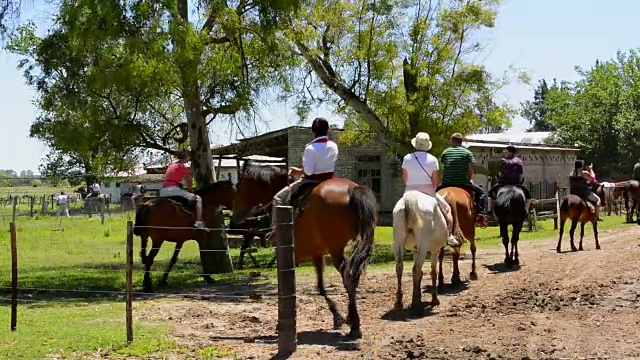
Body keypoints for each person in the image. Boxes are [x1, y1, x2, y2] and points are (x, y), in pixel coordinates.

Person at [271, 117, 338, 229]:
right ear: (327, 130)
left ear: (313, 132)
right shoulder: (333, 146)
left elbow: (309, 172)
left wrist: (297, 171)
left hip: (310, 181)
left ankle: (277, 231)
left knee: (278, 198)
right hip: (329, 181)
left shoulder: (311, 148)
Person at [402, 132, 461, 247]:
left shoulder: (407, 158)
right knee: (448, 209)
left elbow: (405, 178)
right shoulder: (433, 160)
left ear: (416, 144)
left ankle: (399, 236)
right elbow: (435, 183)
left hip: (409, 191)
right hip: (428, 191)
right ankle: (449, 236)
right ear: (427, 145)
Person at [436, 133, 488, 227]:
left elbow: (444, 167)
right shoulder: (467, 153)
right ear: (461, 142)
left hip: (446, 183)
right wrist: (470, 179)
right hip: (462, 183)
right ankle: (481, 216)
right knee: (482, 194)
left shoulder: (446, 152)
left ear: (452, 141)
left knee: (432, 194)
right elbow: (470, 169)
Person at [160, 150, 205, 229]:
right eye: (188, 157)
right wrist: (190, 190)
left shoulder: (171, 165)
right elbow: (189, 181)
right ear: (186, 157)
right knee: (198, 199)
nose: (189, 159)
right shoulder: (183, 167)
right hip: (173, 189)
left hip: (163, 190)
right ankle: (198, 222)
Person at [487, 145, 531, 214]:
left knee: (490, 193)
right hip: (516, 183)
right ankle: (526, 211)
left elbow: (500, 173)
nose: (504, 152)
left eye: (506, 151)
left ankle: (489, 210)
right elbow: (521, 174)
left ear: (510, 152)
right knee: (528, 196)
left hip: (503, 183)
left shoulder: (503, 160)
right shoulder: (519, 161)